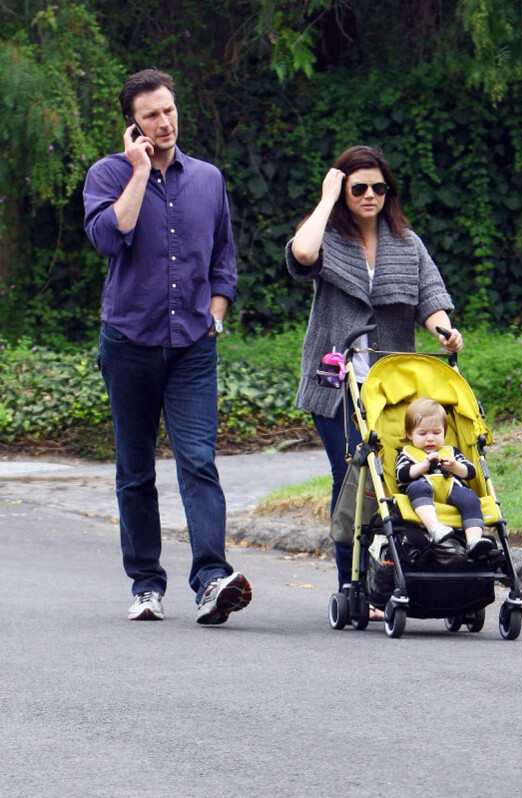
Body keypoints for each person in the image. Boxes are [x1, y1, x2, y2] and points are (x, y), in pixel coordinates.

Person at [83, 68, 251, 624]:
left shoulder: (208, 178)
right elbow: (110, 236)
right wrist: (137, 171)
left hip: (193, 350)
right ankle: (146, 585)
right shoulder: (108, 174)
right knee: (135, 470)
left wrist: (216, 317)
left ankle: (210, 581)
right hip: (128, 344)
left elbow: (223, 260)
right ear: (133, 124)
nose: (165, 121)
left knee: (199, 462)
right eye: (152, 114)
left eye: (170, 110)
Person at [286, 144, 464, 589]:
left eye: (378, 187)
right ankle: (352, 579)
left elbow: (432, 298)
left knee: (390, 478)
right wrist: (326, 199)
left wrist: (444, 331)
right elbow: (301, 256)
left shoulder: (407, 243)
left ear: (389, 191)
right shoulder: (325, 235)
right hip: (336, 381)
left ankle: (387, 574)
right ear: (343, 189)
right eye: (358, 187)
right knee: (351, 476)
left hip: (390, 386)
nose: (369, 195)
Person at [395, 397, 493, 559]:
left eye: (436, 432)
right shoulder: (407, 453)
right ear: (409, 434)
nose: (430, 438)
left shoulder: (451, 452)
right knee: (416, 487)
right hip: (423, 494)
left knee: (470, 497)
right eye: (423, 433)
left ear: (445, 433)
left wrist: (455, 467)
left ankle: (474, 539)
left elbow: (470, 471)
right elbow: (402, 475)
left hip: (450, 491)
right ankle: (434, 527)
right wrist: (423, 466)